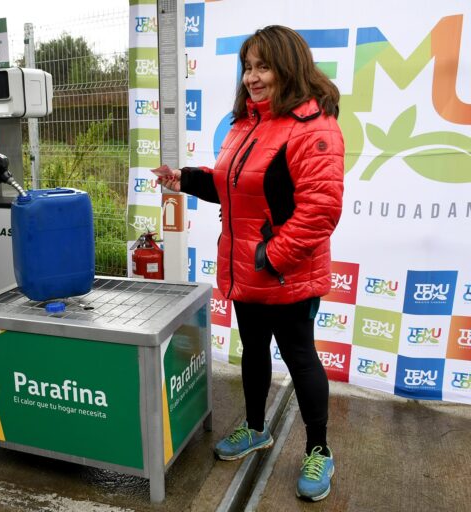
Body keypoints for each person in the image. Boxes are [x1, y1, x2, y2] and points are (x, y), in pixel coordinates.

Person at [152, 25, 344, 501]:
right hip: (246, 271)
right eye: (248, 67)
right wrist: (183, 178)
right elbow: (230, 186)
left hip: (286, 273)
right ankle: (256, 428)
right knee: (253, 351)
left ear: (289, 67)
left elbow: (320, 211)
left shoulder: (314, 127)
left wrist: (271, 257)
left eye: (263, 66)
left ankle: (319, 449)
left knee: (300, 358)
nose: (252, 78)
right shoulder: (245, 123)